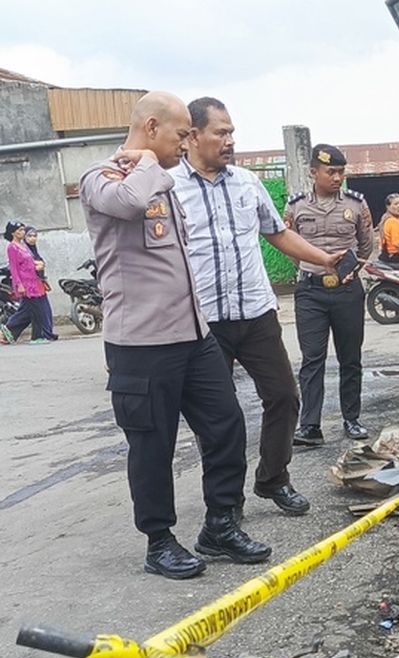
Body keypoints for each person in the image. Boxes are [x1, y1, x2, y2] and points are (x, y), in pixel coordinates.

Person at [79, 91, 271, 580]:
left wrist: (150, 164)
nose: (187, 141)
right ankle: (159, 541)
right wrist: (144, 161)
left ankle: (220, 525)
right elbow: (128, 202)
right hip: (141, 345)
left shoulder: (159, 181)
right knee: (152, 446)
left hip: (193, 334)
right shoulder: (103, 177)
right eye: (180, 132)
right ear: (150, 128)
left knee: (227, 425)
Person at [171, 96, 341, 517]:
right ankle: (225, 504)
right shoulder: (169, 187)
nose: (229, 141)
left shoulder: (248, 183)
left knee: (284, 396)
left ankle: (273, 479)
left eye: (232, 132)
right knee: (219, 416)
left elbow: (277, 232)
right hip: (205, 320)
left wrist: (321, 258)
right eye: (221, 132)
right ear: (193, 136)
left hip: (256, 313)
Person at [285, 144, 376, 447]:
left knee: (351, 358)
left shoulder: (356, 204)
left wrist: (351, 270)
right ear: (314, 172)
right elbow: (290, 246)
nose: (337, 178)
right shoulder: (295, 207)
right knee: (313, 359)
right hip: (311, 291)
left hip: (347, 289)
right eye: (331, 172)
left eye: (341, 172)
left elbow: (365, 244)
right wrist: (311, 267)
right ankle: (310, 426)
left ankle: (352, 419)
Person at [2, 221, 53, 344]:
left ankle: (8, 333)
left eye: (23, 230)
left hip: (34, 281)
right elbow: (14, 268)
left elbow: (30, 261)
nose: (22, 232)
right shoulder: (12, 247)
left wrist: (39, 265)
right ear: (13, 232)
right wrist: (19, 285)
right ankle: (36, 337)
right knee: (36, 310)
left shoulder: (23, 246)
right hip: (25, 283)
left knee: (31, 310)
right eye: (19, 230)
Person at [379, 193, 399, 264]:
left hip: (389, 255)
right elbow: (397, 244)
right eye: (395, 204)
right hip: (397, 257)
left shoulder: (385, 219)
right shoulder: (392, 222)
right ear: (388, 206)